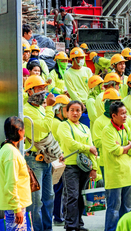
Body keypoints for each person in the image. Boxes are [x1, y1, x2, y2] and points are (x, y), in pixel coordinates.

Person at [23, 75, 57, 231]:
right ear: (30, 92)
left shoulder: (39, 108)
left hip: (46, 159)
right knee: (36, 202)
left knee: (49, 198)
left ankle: (47, 228)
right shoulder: (26, 110)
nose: (43, 92)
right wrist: (50, 107)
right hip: (34, 161)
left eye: (44, 88)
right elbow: (45, 128)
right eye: (39, 89)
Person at [57, 101, 98, 231]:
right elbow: (70, 144)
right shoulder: (64, 126)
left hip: (85, 167)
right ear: (67, 112)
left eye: (78, 110)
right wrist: (87, 148)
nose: (75, 113)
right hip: (70, 166)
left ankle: (78, 224)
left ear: (82, 112)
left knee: (81, 196)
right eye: (72, 110)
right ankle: (70, 225)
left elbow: (93, 151)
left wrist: (94, 168)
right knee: (72, 196)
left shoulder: (85, 128)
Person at [102, 101, 131, 231]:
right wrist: (126, 147)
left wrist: (125, 148)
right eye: (122, 114)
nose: (125, 116)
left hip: (128, 174)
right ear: (113, 116)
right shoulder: (107, 131)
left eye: (125, 113)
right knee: (114, 209)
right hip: (115, 176)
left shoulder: (126, 127)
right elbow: (114, 150)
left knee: (127, 208)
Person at [0, 117, 32, 231]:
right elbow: (11, 183)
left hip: (14, 204)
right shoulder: (11, 153)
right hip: (15, 205)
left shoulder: (4, 147)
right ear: (19, 131)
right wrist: (17, 209)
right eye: (23, 129)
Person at [51, 95, 70, 226]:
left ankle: (58, 215)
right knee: (59, 189)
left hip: (55, 158)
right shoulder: (59, 124)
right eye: (66, 109)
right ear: (58, 110)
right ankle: (58, 216)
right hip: (59, 159)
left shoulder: (56, 122)